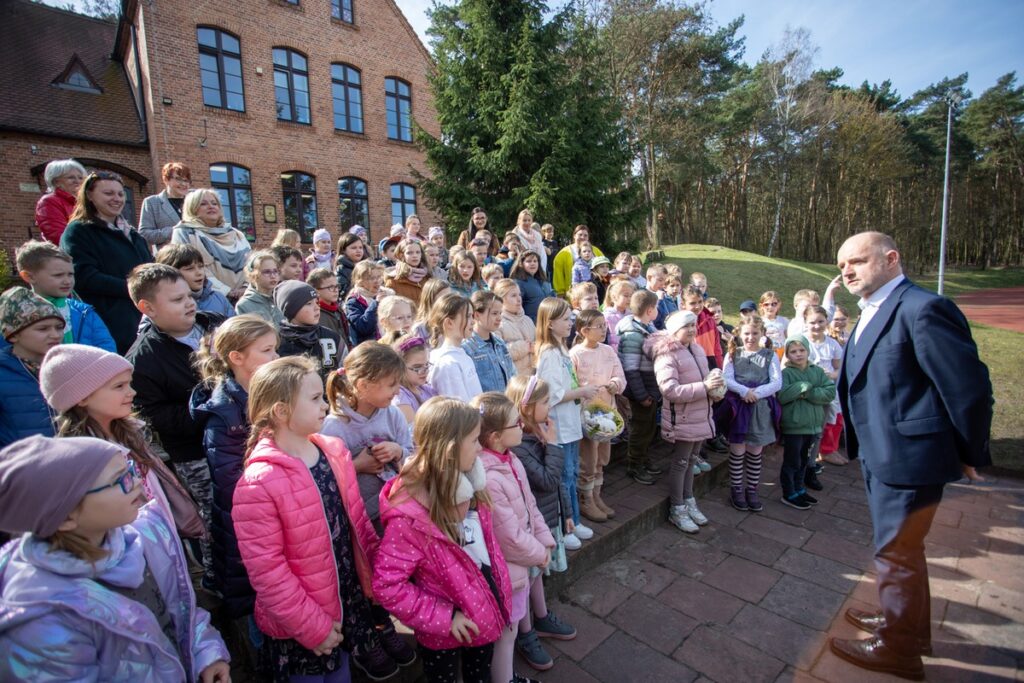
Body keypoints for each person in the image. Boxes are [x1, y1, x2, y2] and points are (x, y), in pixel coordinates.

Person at [828, 232, 993, 678]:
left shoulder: (923, 309)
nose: (847, 272)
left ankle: (898, 650)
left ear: (891, 258)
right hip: (881, 452)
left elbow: (968, 389)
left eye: (856, 261)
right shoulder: (874, 309)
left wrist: (969, 451)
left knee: (896, 552)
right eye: (842, 266)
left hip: (908, 456)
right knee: (903, 550)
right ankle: (909, 627)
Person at [0, 435, 231, 682]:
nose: (136, 482)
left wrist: (205, 652)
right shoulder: (41, 622)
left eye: (129, 470)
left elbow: (181, 607)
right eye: (119, 479)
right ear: (65, 517)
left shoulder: (142, 538)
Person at [233, 357, 402, 682]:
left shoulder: (334, 452)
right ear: (281, 411)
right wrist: (312, 627)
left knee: (341, 673)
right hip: (301, 621)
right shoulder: (258, 483)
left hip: (344, 602)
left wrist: (376, 575)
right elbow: (268, 572)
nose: (325, 405)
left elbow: (357, 525)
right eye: (314, 399)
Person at [373, 397, 512, 683]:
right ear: (450, 450)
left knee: (480, 675)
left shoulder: (472, 486)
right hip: (443, 634)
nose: (480, 447)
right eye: (474, 440)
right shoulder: (408, 519)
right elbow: (387, 586)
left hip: (483, 613)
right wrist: (445, 618)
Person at [40, 342, 204, 539]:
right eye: (119, 386)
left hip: (162, 537)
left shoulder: (131, 434)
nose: (132, 392)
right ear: (81, 398)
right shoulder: (82, 460)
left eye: (129, 384)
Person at [126, 263, 226, 584]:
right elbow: (157, 416)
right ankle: (217, 580)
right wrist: (211, 410)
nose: (189, 304)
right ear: (148, 308)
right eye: (177, 300)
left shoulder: (215, 326)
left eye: (189, 295)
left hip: (239, 437)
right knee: (214, 518)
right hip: (195, 454)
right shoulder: (143, 360)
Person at [190, 314, 279, 621]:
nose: (276, 357)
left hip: (273, 507)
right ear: (236, 358)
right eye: (266, 350)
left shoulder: (269, 392)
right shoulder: (223, 414)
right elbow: (231, 481)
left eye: (275, 348)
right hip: (246, 521)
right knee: (253, 593)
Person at [472, 392, 559, 683]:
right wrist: (540, 553)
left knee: (511, 626)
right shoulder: (490, 478)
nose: (522, 426)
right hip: (508, 571)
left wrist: (544, 539)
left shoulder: (511, 459)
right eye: (516, 423)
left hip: (521, 564)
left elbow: (530, 505)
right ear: (495, 436)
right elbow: (508, 537)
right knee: (506, 634)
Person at [505, 378, 577, 669]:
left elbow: (557, 482)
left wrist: (566, 512)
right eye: (545, 402)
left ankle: (542, 617)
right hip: (531, 526)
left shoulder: (540, 432)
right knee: (526, 579)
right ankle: (526, 633)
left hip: (547, 519)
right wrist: (555, 445)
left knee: (536, 577)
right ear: (526, 407)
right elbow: (547, 479)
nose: (550, 407)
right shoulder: (520, 446)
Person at [321, 342, 411, 529]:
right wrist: (357, 466)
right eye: (392, 385)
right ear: (363, 385)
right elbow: (326, 479)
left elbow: (413, 456)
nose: (398, 391)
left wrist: (398, 451)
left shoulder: (393, 415)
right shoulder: (334, 427)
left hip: (398, 508)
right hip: (361, 521)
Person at [60, 171, 153, 354]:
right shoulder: (78, 231)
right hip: (108, 322)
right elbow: (84, 277)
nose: (116, 199)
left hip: (142, 317)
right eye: (108, 193)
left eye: (120, 194)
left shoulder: (133, 234)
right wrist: (133, 288)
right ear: (89, 195)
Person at [649, 311, 722, 533]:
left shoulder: (697, 349)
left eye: (693, 325)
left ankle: (689, 500)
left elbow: (705, 379)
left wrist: (716, 387)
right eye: (686, 326)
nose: (691, 329)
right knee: (681, 462)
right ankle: (677, 507)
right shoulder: (666, 354)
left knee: (691, 461)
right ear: (674, 330)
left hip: (700, 415)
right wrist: (704, 387)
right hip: (683, 417)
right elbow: (669, 390)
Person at [535, 297, 598, 551]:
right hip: (558, 425)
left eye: (571, 318)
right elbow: (551, 394)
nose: (570, 323)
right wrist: (582, 392)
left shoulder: (561, 349)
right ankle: (565, 526)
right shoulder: (549, 354)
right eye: (565, 319)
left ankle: (575, 520)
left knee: (571, 473)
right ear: (550, 323)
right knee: (563, 476)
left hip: (570, 423)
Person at [720, 316, 782, 512]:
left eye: (755, 333)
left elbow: (776, 381)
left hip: (760, 408)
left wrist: (757, 393)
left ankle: (752, 489)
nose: (750, 337)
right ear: (740, 333)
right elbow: (727, 378)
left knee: (755, 451)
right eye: (746, 333)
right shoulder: (733, 354)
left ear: (762, 333)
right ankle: (737, 488)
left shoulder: (770, 355)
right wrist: (744, 391)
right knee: (737, 450)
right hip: (739, 407)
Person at [569, 309, 626, 523]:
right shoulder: (575, 354)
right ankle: (585, 499)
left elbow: (619, 375)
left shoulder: (608, 351)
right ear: (585, 331)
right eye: (599, 326)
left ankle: (596, 495)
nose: (604, 330)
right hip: (587, 417)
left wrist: (615, 384)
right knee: (588, 459)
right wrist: (584, 393)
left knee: (602, 458)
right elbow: (572, 383)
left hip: (607, 414)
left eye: (605, 325)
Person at [14, 239, 115, 351]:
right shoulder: (16, 315)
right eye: (58, 275)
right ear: (29, 276)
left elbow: (107, 348)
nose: (67, 281)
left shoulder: (85, 313)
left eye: (70, 274)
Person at [777, 335, 835, 511]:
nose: (798, 354)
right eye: (793, 351)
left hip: (813, 424)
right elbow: (782, 396)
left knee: (804, 460)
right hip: (794, 426)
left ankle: (799, 488)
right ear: (787, 354)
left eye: (801, 350)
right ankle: (789, 492)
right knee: (792, 461)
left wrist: (808, 393)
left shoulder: (817, 371)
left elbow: (829, 392)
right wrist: (802, 386)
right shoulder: (786, 373)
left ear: (808, 351)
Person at [0, 287, 64, 447]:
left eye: (59, 327)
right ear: (13, 335)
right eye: (43, 329)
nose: (55, 335)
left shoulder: (68, 368)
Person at [170, 188, 251, 301]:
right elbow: (188, 267)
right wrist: (226, 291)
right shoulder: (184, 232)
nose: (211, 206)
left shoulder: (237, 234)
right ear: (192, 208)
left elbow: (251, 264)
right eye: (203, 204)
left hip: (245, 297)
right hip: (207, 300)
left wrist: (246, 287)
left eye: (214, 203)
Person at [616, 289, 662, 485]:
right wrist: (642, 395)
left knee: (649, 428)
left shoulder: (647, 328)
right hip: (640, 392)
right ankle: (634, 464)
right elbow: (631, 370)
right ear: (650, 310)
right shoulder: (633, 335)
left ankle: (643, 457)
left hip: (650, 389)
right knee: (640, 430)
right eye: (656, 307)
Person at [802, 304, 843, 485]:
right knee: (803, 432)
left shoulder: (832, 344)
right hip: (805, 393)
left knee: (819, 431)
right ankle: (801, 465)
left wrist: (831, 375)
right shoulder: (800, 341)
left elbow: (839, 368)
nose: (817, 326)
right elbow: (787, 366)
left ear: (827, 321)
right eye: (812, 322)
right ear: (805, 322)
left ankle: (811, 465)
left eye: (821, 321)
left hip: (825, 393)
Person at [274, 280, 344, 381]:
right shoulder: (277, 342)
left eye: (317, 302)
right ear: (291, 309)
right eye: (309, 303)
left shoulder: (333, 338)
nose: (317, 308)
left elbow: (345, 373)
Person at [427, 293, 482, 403]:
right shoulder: (447, 364)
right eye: (467, 316)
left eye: (472, 316)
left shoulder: (460, 355)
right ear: (449, 323)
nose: (473, 321)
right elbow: (458, 407)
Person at [155, 243, 235, 318]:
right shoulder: (162, 305)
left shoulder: (219, 299)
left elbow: (234, 325)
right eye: (190, 269)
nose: (199, 273)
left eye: (200, 266)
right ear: (171, 272)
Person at [463, 290, 517, 393]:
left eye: (500, 313)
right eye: (494, 313)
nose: (499, 318)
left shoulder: (499, 343)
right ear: (477, 315)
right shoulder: (468, 347)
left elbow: (513, 375)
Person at [139, 161, 192, 248]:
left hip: (198, 254)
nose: (183, 184)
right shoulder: (152, 202)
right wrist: (172, 231)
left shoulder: (194, 201)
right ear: (166, 180)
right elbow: (144, 234)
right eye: (178, 179)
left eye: (186, 180)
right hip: (170, 255)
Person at [35, 158, 86, 244]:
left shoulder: (86, 202)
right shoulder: (49, 202)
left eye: (80, 178)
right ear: (56, 182)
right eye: (71, 177)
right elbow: (58, 235)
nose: (77, 181)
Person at [392, 334, 438, 425]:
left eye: (426, 365)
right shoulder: (400, 395)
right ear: (400, 367)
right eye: (417, 367)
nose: (424, 371)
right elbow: (413, 430)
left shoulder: (427, 389)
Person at [493, 279, 535, 376]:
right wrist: (524, 347)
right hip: (514, 380)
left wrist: (537, 347)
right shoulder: (497, 324)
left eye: (519, 294)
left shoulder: (528, 320)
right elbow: (498, 353)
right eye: (513, 295)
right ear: (501, 300)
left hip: (533, 378)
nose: (519, 299)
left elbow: (540, 342)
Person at [552, 225, 603, 297]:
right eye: (580, 234)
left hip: (596, 294)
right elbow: (558, 276)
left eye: (585, 235)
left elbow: (605, 268)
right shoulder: (563, 254)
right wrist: (560, 294)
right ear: (574, 236)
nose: (582, 237)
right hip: (574, 295)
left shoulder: (596, 251)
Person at [235, 249, 285, 325]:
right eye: (267, 272)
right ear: (253, 275)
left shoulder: (282, 299)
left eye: (275, 271)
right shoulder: (244, 305)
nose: (273, 276)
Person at [681, 284, 723, 370]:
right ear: (683, 304)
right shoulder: (679, 324)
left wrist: (720, 368)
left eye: (700, 302)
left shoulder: (710, 321)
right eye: (692, 303)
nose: (697, 306)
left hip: (710, 366)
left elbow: (717, 349)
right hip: (690, 368)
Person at [345, 260, 385, 346]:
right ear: (359, 281)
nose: (377, 281)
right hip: (370, 348)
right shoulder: (353, 301)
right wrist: (375, 304)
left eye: (379, 277)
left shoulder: (386, 294)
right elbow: (364, 327)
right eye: (371, 278)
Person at [385, 239, 432, 311]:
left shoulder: (428, 277)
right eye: (409, 253)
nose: (415, 256)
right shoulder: (393, 280)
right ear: (401, 255)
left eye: (418, 252)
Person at [308, 267, 349, 342]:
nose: (336, 290)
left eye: (337, 286)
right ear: (316, 291)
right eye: (331, 287)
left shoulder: (337, 309)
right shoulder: (316, 314)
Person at [510, 250, 552, 321]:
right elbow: (515, 307)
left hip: (547, 321)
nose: (533, 263)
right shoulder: (518, 283)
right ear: (521, 264)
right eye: (529, 261)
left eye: (535, 261)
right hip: (531, 322)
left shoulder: (544, 280)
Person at [411, 278, 452, 347]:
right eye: (443, 297)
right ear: (430, 299)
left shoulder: (453, 321)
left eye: (450, 297)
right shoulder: (419, 328)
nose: (448, 301)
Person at [602, 279, 635, 351]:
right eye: (626, 295)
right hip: (613, 353)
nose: (629, 299)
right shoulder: (606, 316)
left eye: (631, 296)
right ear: (614, 297)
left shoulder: (632, 316)